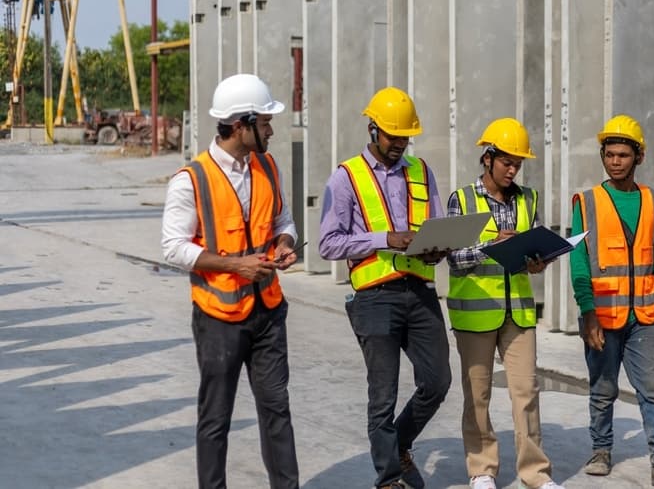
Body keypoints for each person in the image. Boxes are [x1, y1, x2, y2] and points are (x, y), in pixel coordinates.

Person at [161, 73, 300, 489]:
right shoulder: (192, 179)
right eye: (266, 122)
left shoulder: (267, 165)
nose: (272, 130)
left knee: (277, 410)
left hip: (268, 312)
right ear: (241, 125)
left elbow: (283, 219)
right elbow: (173, 248)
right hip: (219, 318)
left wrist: (285, 243)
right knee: (216, 418)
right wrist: (234, 266)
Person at [318, 86, 451, 489]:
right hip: (374, 298)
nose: (400, 144)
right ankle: (389, 478)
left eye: (405, 137)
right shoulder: (345, 178)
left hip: (420, 291)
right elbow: (328, 243)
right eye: (393, 136)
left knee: (437, 381)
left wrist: (437, 249)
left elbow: (438, 224)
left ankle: (400, 443)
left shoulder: (421, 171)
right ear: (373, 130)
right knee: (383, 396)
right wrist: (384, 239)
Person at [570, 115, 654, 487]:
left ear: (638, 157)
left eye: (623, 155)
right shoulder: (588, 201)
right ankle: (601, 449)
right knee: (603, 388)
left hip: (643, 315)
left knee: (652, 389)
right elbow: (579, 263)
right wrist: (587, 311)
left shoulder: (652, 200)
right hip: (602, 314)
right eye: (609, 154)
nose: (614, 161)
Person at [446, 118, 564, 489]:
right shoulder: (462, 200)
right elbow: (453, 258)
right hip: (476, 312)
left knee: (526, 392)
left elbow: (535, 251)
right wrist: (491, 245)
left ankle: (536, 474)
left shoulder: (528, 199)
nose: (513, 169)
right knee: (477, 395)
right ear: (488, 158)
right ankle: (482, 469)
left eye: (518, 163)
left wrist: (539, 260)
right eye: (506, 162)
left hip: (519, 312)